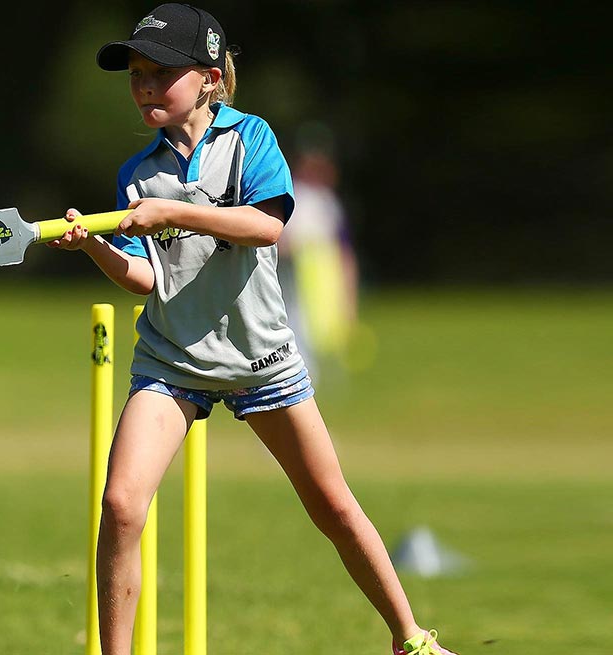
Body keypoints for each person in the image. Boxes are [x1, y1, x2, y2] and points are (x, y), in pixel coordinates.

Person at [47, 5, 458, 654]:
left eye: (161, 73)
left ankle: (410, 637)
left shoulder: (250, 140)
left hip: (259, 357)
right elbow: (149, 280)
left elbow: (267, 226)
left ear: (210, 78)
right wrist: (96, 244)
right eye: (137, 75)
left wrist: (174, 212)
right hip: (171, 358)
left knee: (333, 507)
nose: (145, 86)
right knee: (123, 505)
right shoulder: (139, 173)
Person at [276, 128, 359, 380]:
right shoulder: (290, 194)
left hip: (321, 282)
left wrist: (348, 291)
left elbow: (343, 248)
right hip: (291, 280)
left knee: (321, 333)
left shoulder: (327, 201)